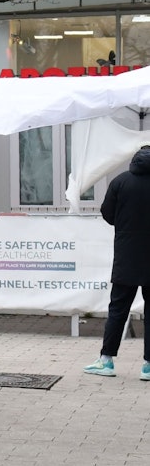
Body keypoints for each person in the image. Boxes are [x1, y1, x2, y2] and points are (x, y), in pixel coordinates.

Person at [83, 144, 150, 379]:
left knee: (118, 309)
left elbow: (108, 213)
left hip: (127, 256)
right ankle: (148, 367)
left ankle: (106, 361)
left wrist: (125, 224)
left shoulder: (120, 181)